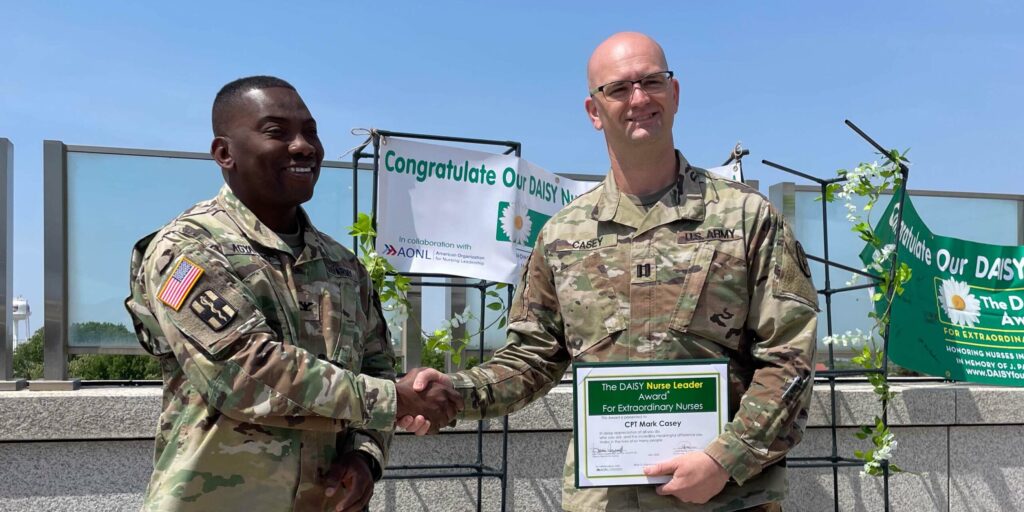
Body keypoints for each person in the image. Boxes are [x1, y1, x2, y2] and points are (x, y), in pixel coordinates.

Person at [399, 33, 819, 512]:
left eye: (651, 82)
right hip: (605, 501)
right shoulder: (562, 235)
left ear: (674, 94)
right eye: (618, 89)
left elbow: (788, 360)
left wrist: (726, 460)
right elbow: (533, 357)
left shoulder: (746, 219)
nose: (638, 98)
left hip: (728, 499)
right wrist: (455, 393)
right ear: (594, 110)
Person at [125, 75, 462, 512]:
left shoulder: (343, 265)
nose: (304, 146)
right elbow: (246, 373)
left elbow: (376, 365)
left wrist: (365, 457)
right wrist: (397, 398)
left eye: (311, 131)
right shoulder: (187, 249)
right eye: (276, 132)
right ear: (224, 153)